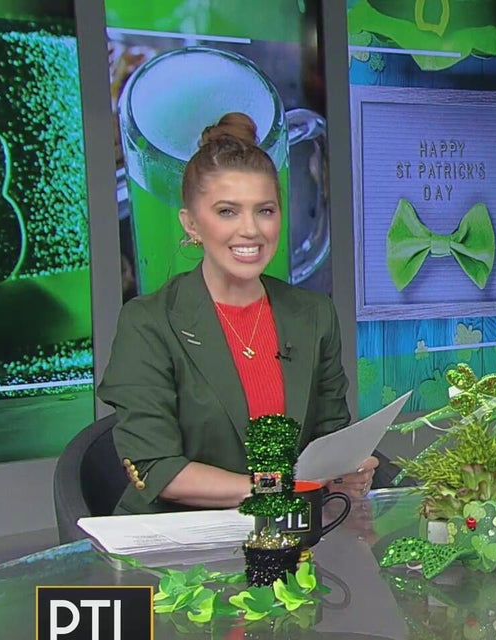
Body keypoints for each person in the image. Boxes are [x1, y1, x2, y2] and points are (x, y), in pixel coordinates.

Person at [98, 112, 377, 514]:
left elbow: (330, 438)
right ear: (191, 224)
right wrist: (276, 487)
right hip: (182, 537)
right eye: (227, 212)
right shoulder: (149, 322)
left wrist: (347, 472)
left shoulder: (314, 314)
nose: (251, 230)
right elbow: (159, 469)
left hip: (291, 529)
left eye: (265, 210)